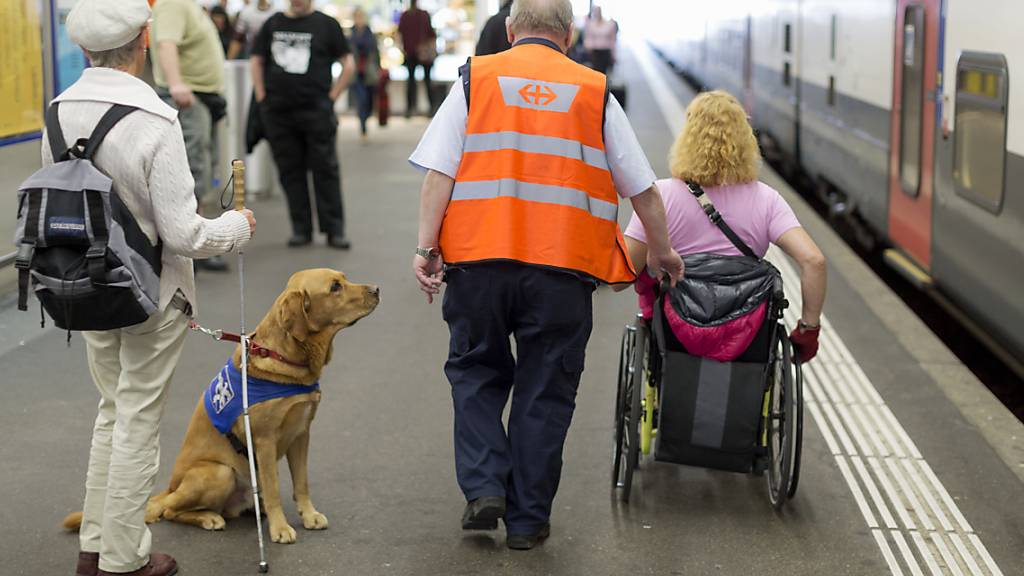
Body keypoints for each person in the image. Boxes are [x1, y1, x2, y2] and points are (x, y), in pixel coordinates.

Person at [409, 0, 683, 550]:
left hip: (479, 263)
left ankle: (485, 487)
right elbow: (644, 189)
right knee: (545, 391)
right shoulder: (593, 90)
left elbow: (440, 173)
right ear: (570, 32)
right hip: (561, 271)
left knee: (476, 372)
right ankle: (529, 521)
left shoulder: (475, 79)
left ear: (510, 29)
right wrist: (663, 252)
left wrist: (426, 247)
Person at [58, 1, 256, 574]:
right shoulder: (154, 120)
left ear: (83, 49)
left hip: (84, 287)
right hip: (150, 293)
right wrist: (236, 227)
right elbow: (184, 232)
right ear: (144, 38)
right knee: (138, 422)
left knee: (112, 412)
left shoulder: (56, 111)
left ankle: (95, 548)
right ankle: (123, 559)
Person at [622, 90, 827, 362]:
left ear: (687, 137)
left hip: (675, 337)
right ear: (746, 140)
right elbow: (814, 261)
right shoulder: (767, 200)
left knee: (650, 276)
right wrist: (808, 330)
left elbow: (625, 271)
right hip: (747, 340)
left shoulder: (660, 197)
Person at [252, 0, 355, 249]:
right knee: (290, 172)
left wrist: (332, 98)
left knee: (326, 170)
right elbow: (257, 60)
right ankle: (301, 229)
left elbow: (348, 63)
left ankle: (334, 230)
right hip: (279, 113)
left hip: (316, 111)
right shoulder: (273, 23)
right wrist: (261, 96)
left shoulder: (327, 25)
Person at [151, 0, 231, 272]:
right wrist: (175, 84)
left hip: (200, 98)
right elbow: (166, 43)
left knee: (201, 169)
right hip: (187, 98)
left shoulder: (189, 5)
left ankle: (197, 243)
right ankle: (190, 246)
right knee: (192, 171)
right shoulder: (174, 3)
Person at [397, 0, 437, 117]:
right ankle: (428, 107)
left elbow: (399, 35)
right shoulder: (422, 15)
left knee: (413, 81)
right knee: (424, 81)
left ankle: (411, 108)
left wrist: (402, 49)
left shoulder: (407, 16)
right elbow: (431, 35)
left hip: (413, 52)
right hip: (417, 53)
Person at [349, 7, 380, 138]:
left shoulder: (370, 34)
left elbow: (376, 53)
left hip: (369, 71)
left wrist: (378, 69)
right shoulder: (350, 35)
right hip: (356, 73)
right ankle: (363, 127)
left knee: (368, 101)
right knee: (361, 99)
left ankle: (365, 117)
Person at [582, 5, 617, 74]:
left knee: (604, 72)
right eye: (596, 11)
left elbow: (613, 40)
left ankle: (604, 84)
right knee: (596, 71)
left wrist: (613, 54)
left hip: (605, 50)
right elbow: (588, 37)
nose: (598, 13)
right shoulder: (591, 24)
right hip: (595, 51)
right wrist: (587, 47)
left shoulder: (609, 24)